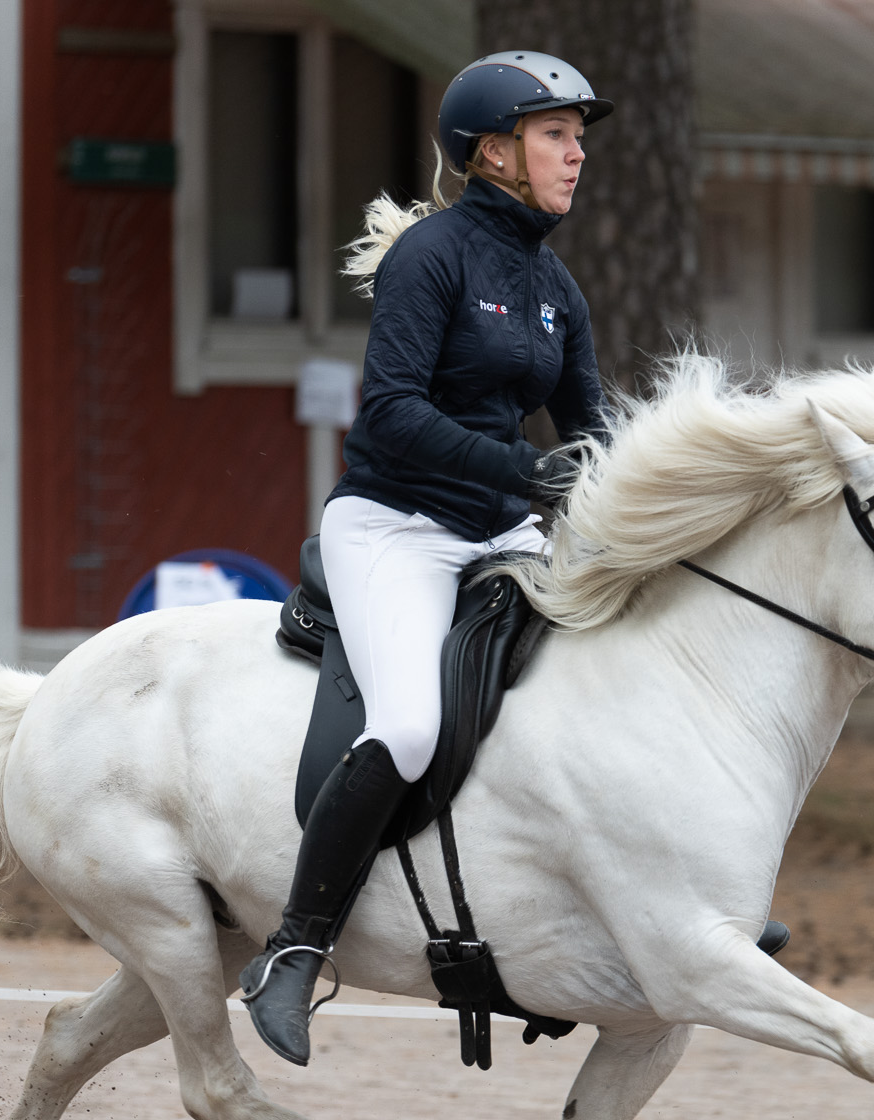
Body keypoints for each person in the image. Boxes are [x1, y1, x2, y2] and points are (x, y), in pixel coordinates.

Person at [240, 53, 613, 1065]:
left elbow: (589, 425)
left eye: (579, 136)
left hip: (503, 530)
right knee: (408, 726)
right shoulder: (432, 258)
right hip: (396, 526)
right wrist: (519, 469)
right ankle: (294, 950)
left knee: (612, 681)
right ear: (492, 151)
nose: (576, 153)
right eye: (554, 135)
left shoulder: (552, 284)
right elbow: (394, 414)